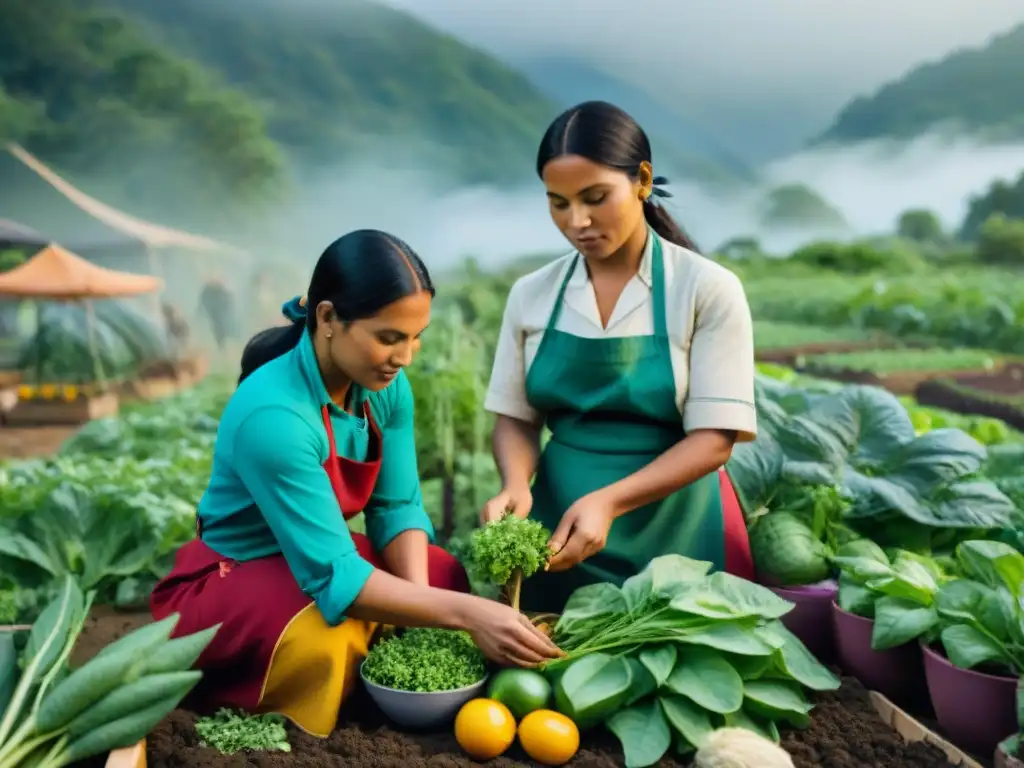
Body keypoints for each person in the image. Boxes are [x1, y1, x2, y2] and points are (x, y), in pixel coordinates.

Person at [152, 230, 560, 737]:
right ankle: (291, 704)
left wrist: (423, 613)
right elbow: (334, 579)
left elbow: (398, 506)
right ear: (327, 319)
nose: (406, 356)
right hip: (236, 574)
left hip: (319, 555)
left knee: (442, 576)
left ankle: (376, 669)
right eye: (389, 337)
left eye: (416, 337)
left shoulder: (383, 387)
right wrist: (467, 615)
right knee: (322, 635)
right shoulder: (274, 415)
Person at [481, 101, 757, 613]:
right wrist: (516, 484)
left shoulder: (704, 289)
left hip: (681, 534)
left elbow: (715, 439)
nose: (577, 221)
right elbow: (516, 418)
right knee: (547, 666)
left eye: (595, 197)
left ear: (643, 181)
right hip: (559, 536)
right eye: (558, 203)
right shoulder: (532, 294)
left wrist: (609, 501)